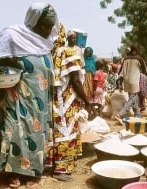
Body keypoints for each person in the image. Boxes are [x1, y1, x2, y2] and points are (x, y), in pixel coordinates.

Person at [0, 2, 59, 188]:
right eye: (45, 26)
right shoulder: (13, 34)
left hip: (40, 99)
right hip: (16, 96)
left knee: (36, 132)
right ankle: (12, 172)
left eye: (50, 26)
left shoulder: (46, 42)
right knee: (13, 131)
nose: (48, 30)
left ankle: (33, 171)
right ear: (34, 22)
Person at [50, 29, 90, 181]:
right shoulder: (69, 52)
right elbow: (75, 80)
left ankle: (63, 166)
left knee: (62, 131)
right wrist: (87, 101)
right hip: (66, 100)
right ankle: (61, 170)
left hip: (58, 99)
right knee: (65, 133)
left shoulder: (55, 52)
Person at [115, 45, 147, 124]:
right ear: (136, 50)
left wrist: (120, 83)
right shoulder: (139, 59)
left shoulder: (125, 59)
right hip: (135, 81)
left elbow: (121, 72)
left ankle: (137, 116)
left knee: (134, 98)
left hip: (127, 81)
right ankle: (120, 114)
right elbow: (144, 70)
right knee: (132, 99)